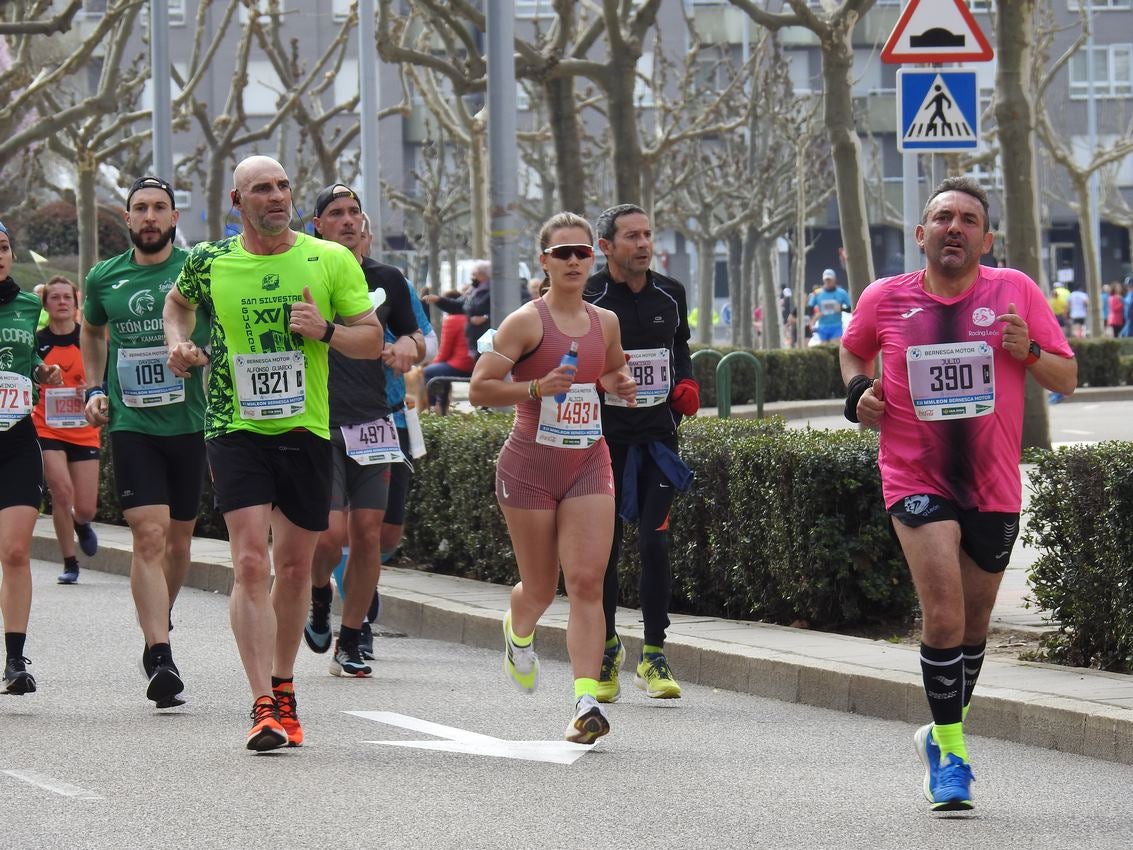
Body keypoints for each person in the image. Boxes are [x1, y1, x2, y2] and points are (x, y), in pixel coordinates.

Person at [839, 177, 1077, 812]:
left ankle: (942, 733)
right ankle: (953, 762)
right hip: (915, 475)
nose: (954, 226)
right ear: (920, 235)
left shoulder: (1016, 292)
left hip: (992, 484)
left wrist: (1028, 353)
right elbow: (852, 351)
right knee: (942, 616)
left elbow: (1069, 376)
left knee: (973, 628)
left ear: (985, 238)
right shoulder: (885, 298)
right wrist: (858, 394)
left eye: (968, 219)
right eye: (942, 217)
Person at [164, 156, 382, 752]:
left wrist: (327, 331)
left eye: (284, 186)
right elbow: (178, 306)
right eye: (262, 189)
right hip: (232, 425)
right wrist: (180, 344)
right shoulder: (209, 261)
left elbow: (372, 339)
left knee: (291, 569)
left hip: (305, 430)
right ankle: (261, 701)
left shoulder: (329, 259)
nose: (277, 196)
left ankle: (284, 686)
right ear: (238, 202)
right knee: (250, 564)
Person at [469, 211, 636, 744]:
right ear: (543, 261)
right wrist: (537, 388)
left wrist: (620, 382)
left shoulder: (604, 322)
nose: (572, 261)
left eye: (581, 252)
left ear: (595, 258)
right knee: (541, 588)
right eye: (561, 253)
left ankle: (586, 701)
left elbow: (606, 369)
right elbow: (480, 388)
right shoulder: (526, 322)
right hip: (530, 466)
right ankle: (518, 632)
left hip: (588, 459)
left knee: (587, 581)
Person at [82, 175, 209, 709]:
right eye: (141, 209)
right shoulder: (103, 278)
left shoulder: (199, 270)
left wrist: (204, 356)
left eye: (161, 208)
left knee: (179, 541)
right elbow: (92, 331)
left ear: (175, 218)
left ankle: (160, 615)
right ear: (127, 219)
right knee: (149, 536)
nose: (151, 216)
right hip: (132, 424)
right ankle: (160, 654)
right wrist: (94, 385)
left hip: (194, 421)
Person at [302, 184, 421, 678]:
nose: (348, 221)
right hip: (315, 420)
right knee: (329, 536)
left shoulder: (388, 279)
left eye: (354, 213)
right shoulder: (300, 274)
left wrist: (409, 347)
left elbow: (416, 333)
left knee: (368, 534)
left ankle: (350, 640)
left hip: (374, 421)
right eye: (336, 214)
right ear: (318, 226)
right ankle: (317, 596)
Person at [584, 204, 696, 704]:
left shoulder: (670, 293)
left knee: (653, 544)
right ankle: (607, 649)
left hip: (656, 440)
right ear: (606, 246)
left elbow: (680, 348)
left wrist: (687, 382)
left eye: (648, 234)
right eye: (632, 236)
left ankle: (654, 654)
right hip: (601, 443)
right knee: (604, 553)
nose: (644, 244)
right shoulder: (588, 295)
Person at [0, 221, 64, 695]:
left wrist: (43, 372)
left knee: (16, 550)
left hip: (18, 438)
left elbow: (27, 363)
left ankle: (15, 659)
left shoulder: (28, 306)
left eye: (4, 247)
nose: (0, 255)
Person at [32, 276, 101, 585]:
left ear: (76, 304)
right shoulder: (37, 340)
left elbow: (105, 374)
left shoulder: (89, 337)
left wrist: (94, 387)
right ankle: (69, 562)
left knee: (85, 506)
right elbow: (25, 377)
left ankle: (81, 522)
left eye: (67, 298)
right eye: (54, 297)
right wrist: (40, 380)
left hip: (84, 428)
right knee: (61, 491)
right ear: (45, 304)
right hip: (46, 426)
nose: (61, 302)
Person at [422, 260, 491, 359]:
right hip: (475, 341)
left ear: (483, 275)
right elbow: (458, 305)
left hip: (488, 339)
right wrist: (439, 300)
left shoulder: (492, 291)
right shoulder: (474, 291)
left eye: (475, 275)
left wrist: (486, 317)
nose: (472, 278)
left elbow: (502, 312)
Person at [422, 290, 475, 414]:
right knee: (441, 370)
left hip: (461, 365)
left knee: (429, 372)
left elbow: (444, 353)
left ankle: (434, 407)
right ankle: (443, 405)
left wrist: (431, 364)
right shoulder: (471, 318)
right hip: (476, 364)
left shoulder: (452, 320)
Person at [808, 268, 852, 343]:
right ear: (823, 280)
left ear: (834, 279)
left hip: (836, 326)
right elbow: (809, 307)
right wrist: (813, 318)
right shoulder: (817, 293)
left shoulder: (842, 293)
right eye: (826, 280)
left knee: (834, 348)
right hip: (822, 327)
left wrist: (840, 308)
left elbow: (850, 309)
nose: (828, 282)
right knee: (824, 351)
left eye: (830, 280)